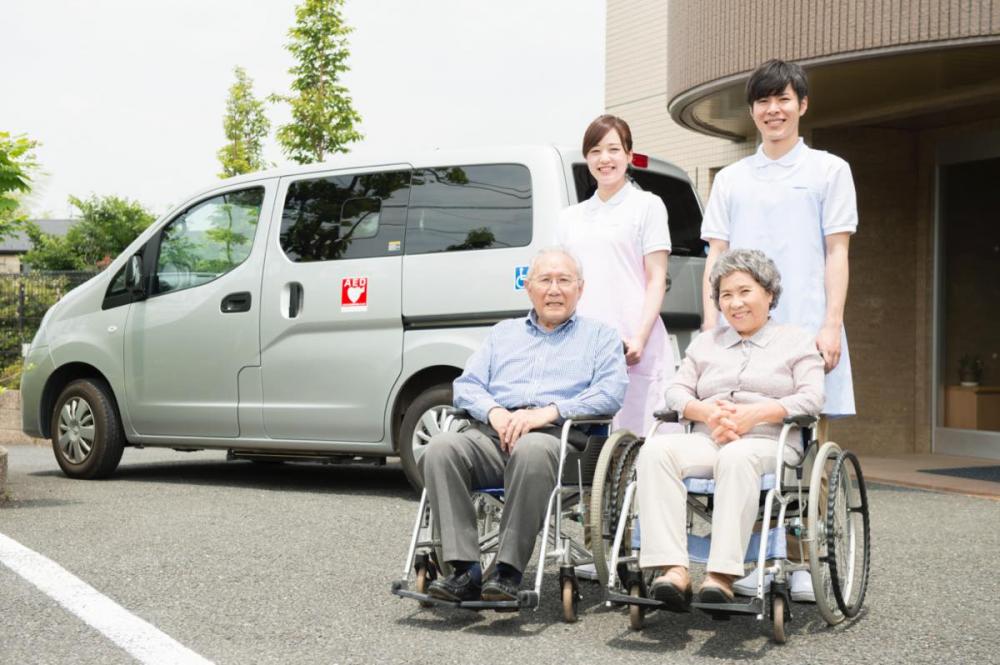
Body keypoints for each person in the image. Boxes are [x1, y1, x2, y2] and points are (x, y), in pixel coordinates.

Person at [420, 247, 628, 603]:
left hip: (558, 440)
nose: (554, 289)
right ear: (528, 287)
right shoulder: (504, 333)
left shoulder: (600, 337)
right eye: (545, 280)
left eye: (564, 280)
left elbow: (610, 393)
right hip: (494, 435)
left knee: (532, 449)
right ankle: (464, 569)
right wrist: (494, 412)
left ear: (580, 288)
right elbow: (466, 386)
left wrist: (548, 411)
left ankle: (508, 572)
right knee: (440, 447)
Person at [634, 249, 824, 610]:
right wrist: (703, 411)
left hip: (769, 441)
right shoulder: (707, 342)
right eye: (725, 295)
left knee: (738, 457)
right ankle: (674, 569)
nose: (734, 303)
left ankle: (721, 576)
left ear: (769, 293)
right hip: (710, 438)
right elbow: (675, 390)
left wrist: (757, 414)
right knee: (656, 451)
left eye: (744, 291)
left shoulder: (797, 340)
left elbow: (813, 398)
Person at [556, 114, 674, 435]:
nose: (604, 159)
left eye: (613, 149)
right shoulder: (570, 218)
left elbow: (656, 278)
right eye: (595, 150)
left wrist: (640, 336)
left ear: (628, 155)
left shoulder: (647, 206)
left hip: (636, 340)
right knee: (588, 446)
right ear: (586, 158)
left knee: (638, 442)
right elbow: (562, 284)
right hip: (584, 344)